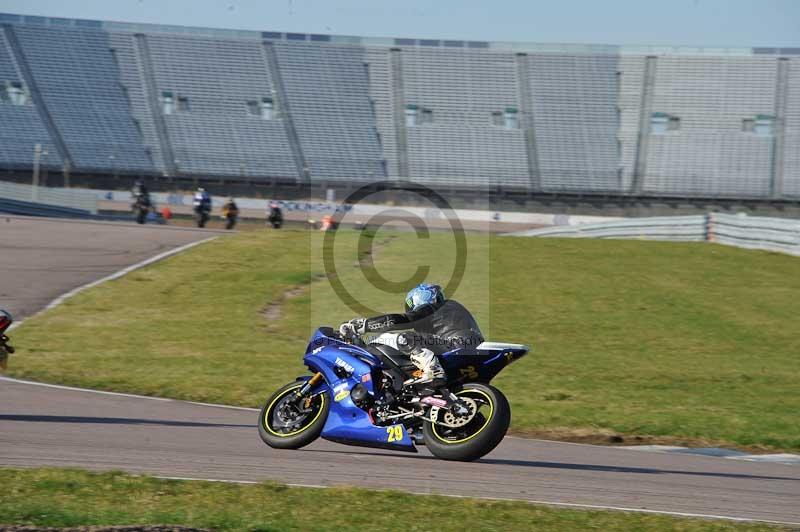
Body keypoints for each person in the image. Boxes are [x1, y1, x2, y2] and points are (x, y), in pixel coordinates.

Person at [339, 283, 484, 389]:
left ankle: (433, 369)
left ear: (420, 299)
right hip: (469, 354)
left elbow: (402, 320)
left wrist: (364, 325)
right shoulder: (452, 311)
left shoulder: (438, 307)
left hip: (455, 345)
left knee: (401, 337)